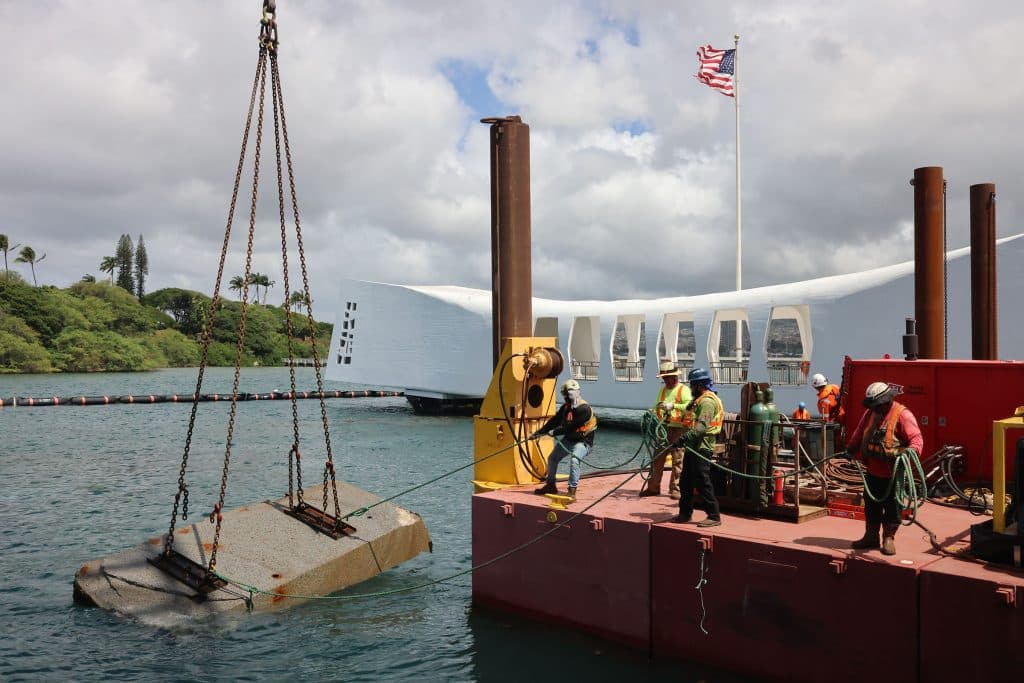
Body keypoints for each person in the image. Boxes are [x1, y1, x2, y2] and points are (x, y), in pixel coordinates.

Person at [845, 381, 923, 555]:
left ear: (887, 402)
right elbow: (860, 432)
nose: (875, 409)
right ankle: (871, 536)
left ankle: (889, 538)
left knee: (893, 507)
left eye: (878, 406)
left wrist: (910, 452)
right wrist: (851, 448)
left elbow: (917, 440)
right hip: (872, 471)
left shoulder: (903, 415)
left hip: (893, 473)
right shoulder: (870, 414)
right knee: (871, 505)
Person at [671, 368, 723, 527]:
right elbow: (688, 412)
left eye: (692, 385)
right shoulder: (699, 399)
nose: (690, 388)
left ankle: (714, 516)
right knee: (686, 481)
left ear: (699, 386)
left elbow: (701, 428)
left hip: (702, 447)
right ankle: (685, 513)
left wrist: (683, 438)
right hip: (694, 447)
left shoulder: (707, 402)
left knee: (702, 481)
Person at [532, 379, 597, 499]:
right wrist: (540, 432)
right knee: (552, 458)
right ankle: (551, 485)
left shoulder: (584, 409)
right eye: (565, 395)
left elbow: (570, 427)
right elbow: (555, 421)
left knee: (574, 460)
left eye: (568, 394)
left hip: (583, 442)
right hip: (569, 440)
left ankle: (572, 490)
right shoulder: (566, 407)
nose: (566, 397)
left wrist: (554, 432)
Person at [640, 361, 693, 499]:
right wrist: (651, 412)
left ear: (674, 377)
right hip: (664, 428)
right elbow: (656, 405)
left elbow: (689, 405)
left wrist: (673, 406)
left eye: (667, 378)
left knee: (678, 460)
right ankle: (653, 488)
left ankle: (675, 489)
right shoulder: (662, 391)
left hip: (680, 429)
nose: (665, 380)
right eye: (663, 378)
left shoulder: (684, 390)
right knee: (657, 459)